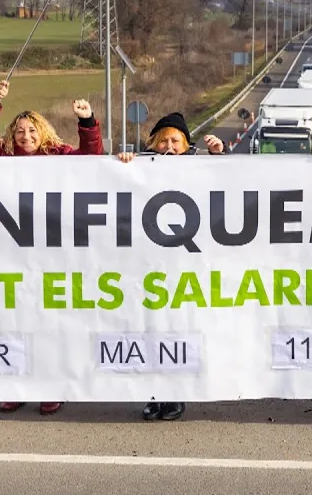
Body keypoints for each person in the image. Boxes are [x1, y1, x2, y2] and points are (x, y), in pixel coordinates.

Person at [0, 79, 103, 416]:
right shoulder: (2, 156)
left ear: (43, 133)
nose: (25, 137)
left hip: (52, 253)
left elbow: (92, 159)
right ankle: (17, 386)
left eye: (32, 131)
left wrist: (87, 123)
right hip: (12, 252)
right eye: (20, 132)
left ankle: (51, 387)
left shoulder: (61, 156)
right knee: (15, 323)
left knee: (50, 324)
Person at [118, 111, 225, 421]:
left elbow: (231, 183)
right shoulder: (140, 166)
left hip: (185, 263)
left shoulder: (199, 164)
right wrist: (123, 162)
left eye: (175, 140)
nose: (168, 145)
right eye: (163, 140)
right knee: (149, 329)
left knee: (177, 331)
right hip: (147, 264)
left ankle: (176, 395)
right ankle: (152, 395)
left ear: (186, 143)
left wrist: (220, 156)